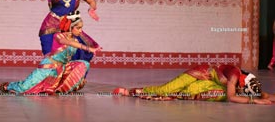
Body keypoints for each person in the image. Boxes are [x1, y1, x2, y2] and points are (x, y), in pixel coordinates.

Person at [0, 11, 101, 95]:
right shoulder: (59, 36)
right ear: (70, 27)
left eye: (82, 28)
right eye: (78, 28)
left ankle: (58, 89)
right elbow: (67, 42)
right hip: (47, 68)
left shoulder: (76, 40)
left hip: (60, 71)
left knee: (84, 64)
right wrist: (89, 49)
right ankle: (3, 86)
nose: (81, 31)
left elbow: (74, 51)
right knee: (24, 88)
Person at [113, 64, 275, 105]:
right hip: (201, 73)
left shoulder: (248, 82)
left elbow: (264, 95)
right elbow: (233, 97)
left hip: (211, 85)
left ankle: (178, 96)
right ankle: (129, 92)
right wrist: (254, 102)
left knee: (185, 94)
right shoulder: (234, 76)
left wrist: (263, 98)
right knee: (167, 89)